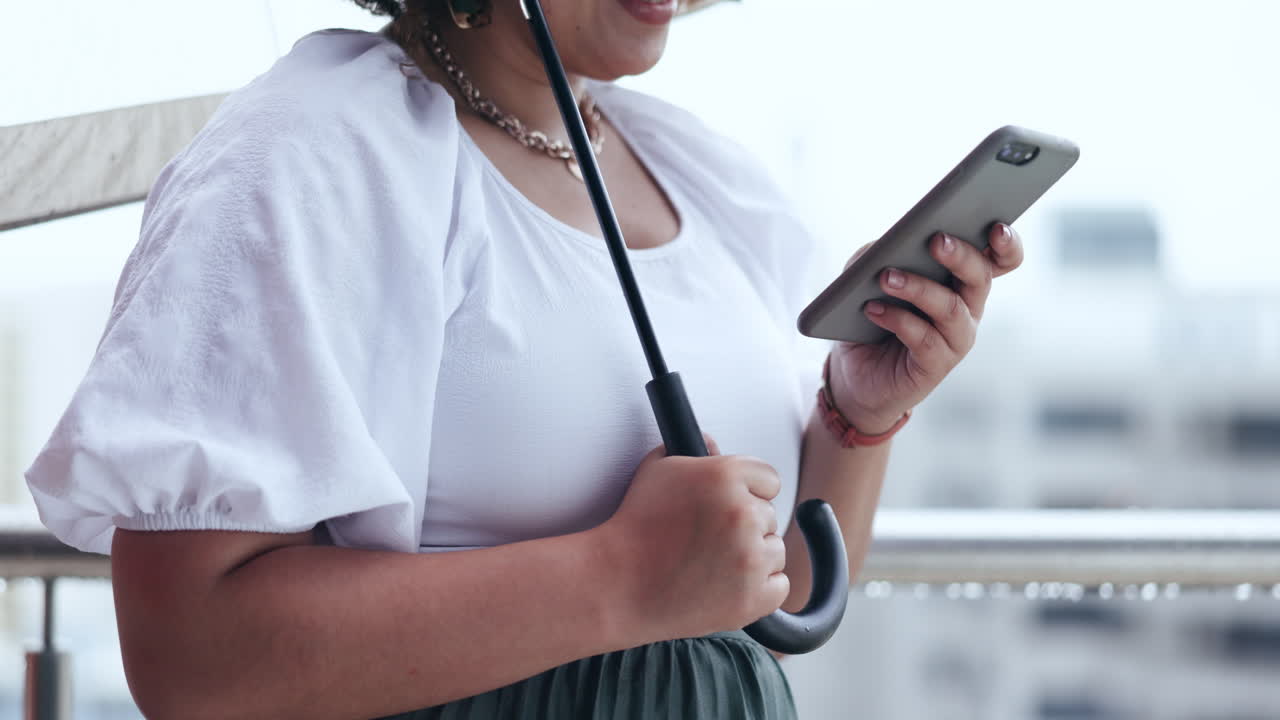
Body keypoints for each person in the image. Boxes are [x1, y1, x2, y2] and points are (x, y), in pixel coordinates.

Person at [24, 0, 1025, 718]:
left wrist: (854, 417)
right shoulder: (306, 153)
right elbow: (194, 661)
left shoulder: (697, 173)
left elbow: (778, 595)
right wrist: (617, 575)